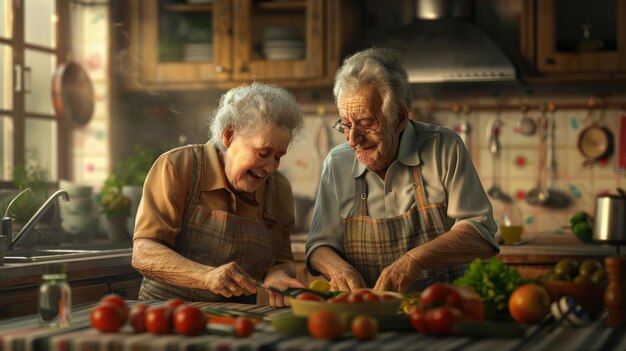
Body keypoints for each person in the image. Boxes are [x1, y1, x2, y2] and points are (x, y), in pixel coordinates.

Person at [305, 48, 500, 294]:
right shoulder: (336, 164)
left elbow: (480, 233)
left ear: (399, 118)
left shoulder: (444, 147)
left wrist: (413, 261)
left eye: (366, 123)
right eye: (345, 124)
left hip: (444, 310)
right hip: (367, 316)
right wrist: (339, 270)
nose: (353, 138)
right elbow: (319, 245)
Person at [132, 82, 306, 307]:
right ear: (229, 135)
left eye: (278, 156)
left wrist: (277, 276)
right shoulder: (178, 167)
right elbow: (144, 253)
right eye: (263, 153)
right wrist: (205, 276)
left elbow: (282, 260)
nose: (270, 167)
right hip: (164, 317)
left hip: (235, 321)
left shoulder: (278, 188)